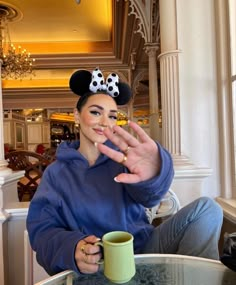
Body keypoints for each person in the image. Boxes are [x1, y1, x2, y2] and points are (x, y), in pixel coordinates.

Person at [26, 67, 223, 276]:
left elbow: (150, 198)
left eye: (112, 116)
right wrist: (72, 248)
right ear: (76, 115)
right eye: (95, 112)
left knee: (208, 210)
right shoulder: (56, 174)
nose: (104, 122)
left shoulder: (125, 160)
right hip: (97, 267)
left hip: (143, 252)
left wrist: (154, 173)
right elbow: (42, 231)